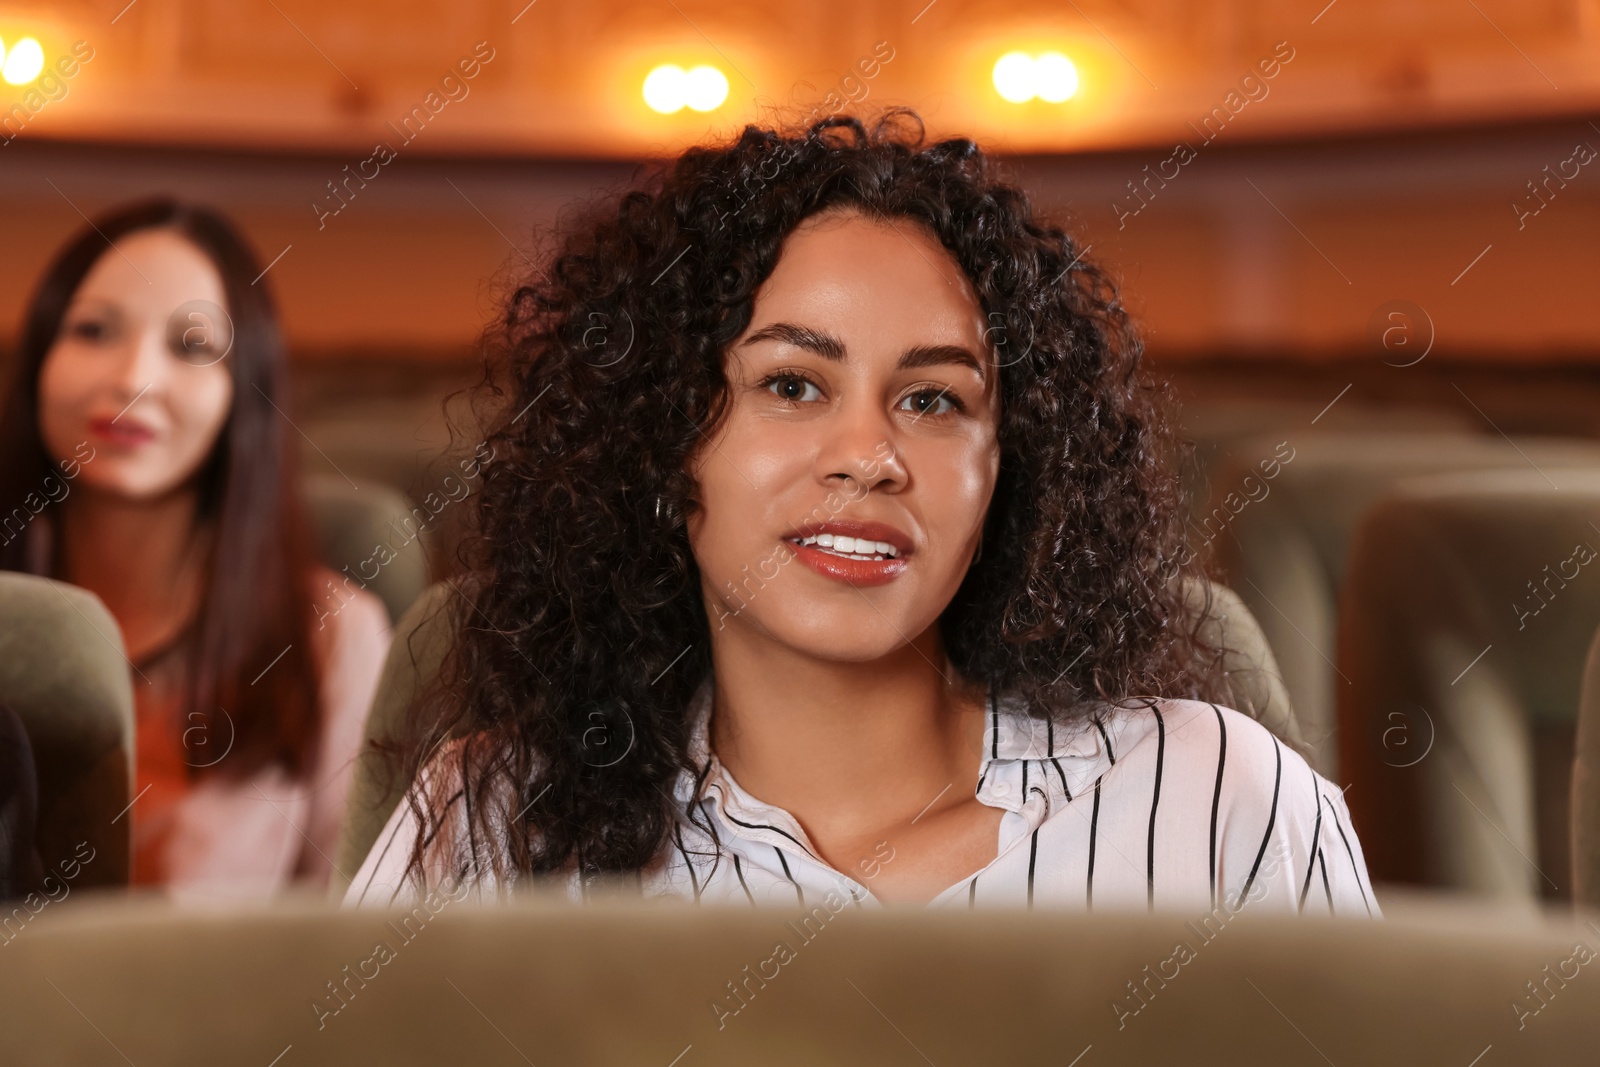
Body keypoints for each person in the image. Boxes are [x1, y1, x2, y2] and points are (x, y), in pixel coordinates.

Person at [348, 111, 1377, 917]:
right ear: (662, 439)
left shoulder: (1220, 804)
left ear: (1004, 470)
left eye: (933, 399)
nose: (870, 457)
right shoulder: (490, 820)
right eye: (792, 385)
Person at [0, 199, 390, 896]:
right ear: (38, 360)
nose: (132, 379)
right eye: (93, 330)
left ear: (245, 391)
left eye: (191, 345)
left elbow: (346, 925)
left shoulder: (333, 633)